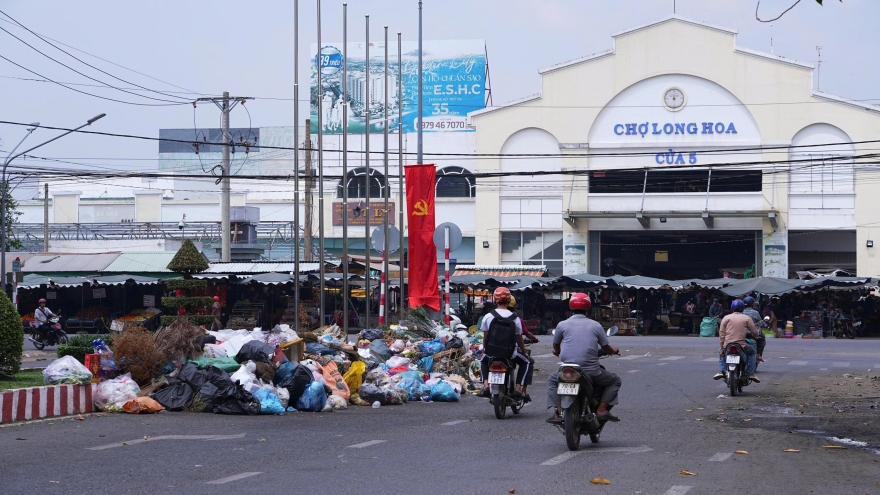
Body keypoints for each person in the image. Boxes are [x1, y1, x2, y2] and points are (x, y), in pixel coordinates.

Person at [546, 293, 621, 425]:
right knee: (615, 381)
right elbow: (606, 348)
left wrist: (557, 352)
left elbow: (556, 346)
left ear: (570, 307)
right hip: (591, 371)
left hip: (567, 370)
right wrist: (614, 351)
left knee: (552, 380)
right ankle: (601, 409)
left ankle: (559, 411)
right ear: (588, 307)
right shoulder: (596, 325)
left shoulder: (562, 324)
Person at [477, 287, 533, 401]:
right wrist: (524, 352)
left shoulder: (488, 316)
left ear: (495, 300)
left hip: (491, 353)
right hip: (510, 354)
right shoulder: (515, 318)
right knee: (526, 362)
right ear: (508, 300)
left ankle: (486, 385)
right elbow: (519, 338)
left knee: (483, 360)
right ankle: (518, 388)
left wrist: (485, 350)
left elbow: (485, 337)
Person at [713, 299, 761, 383]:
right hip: (741, 345)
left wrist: (722, 348)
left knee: (721, 353)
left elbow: (721, 334)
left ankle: (723, 371)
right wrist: (756, 335)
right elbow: (754, 332)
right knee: (753, 353)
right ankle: (750, 373)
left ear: (732, 308)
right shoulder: (746, 318)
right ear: (743, 308)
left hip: (727, 344)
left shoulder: (726, 318)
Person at [742, 296, 766, 362]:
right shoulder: (755, 312)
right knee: (762, 341)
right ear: (752, 303)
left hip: (741, 334)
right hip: (752, 334)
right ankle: (758, 354)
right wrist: (765, 325)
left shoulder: (741, 312)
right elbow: (761, 322)